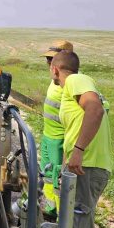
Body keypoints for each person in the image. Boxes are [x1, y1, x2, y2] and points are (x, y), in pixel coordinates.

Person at [50, 51, 113, 228]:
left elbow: (94, 110)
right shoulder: (76, 89)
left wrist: (78, 150)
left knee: (82, 225)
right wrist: (67, 160)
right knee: (76, 222)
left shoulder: (76, 81)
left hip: (88, 165)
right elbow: (76, 127)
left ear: (55, 70)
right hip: (83, 164)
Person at [40, 40, 74, 218]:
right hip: (48, 137)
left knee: (58, 180)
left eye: (52, 60)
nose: (49, 64)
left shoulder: (72, 85)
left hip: (60, 142)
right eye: (47, 60)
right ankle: (49, 208)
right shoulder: (54, 81)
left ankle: (63, 221)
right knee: (47, 175)